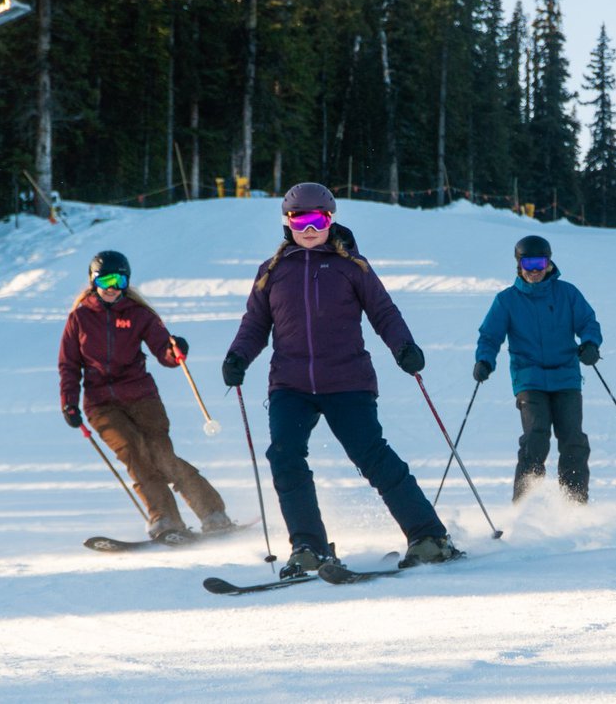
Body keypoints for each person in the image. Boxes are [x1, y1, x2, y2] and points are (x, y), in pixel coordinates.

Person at [220, 183, 459, 577]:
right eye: (300, 219)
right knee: (285, 456)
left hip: (347, 381)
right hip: (290, 385)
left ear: (330, 220)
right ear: (288, 222)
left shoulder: (352, 267)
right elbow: (255, 324)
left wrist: (404, 347)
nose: (309, 227)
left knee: (372, 456)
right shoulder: (272, 271)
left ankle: (429, 537)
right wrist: (238, 355)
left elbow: (384, 312)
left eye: (318, 219)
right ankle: (309, 547)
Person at [58, 250, 231, 539]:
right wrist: (69, 403)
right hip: (101, 404)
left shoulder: (138, 314)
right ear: (93, 282)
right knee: (134, 454)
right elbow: (69, 365)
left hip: (141, 397)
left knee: (161, 456)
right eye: (106, 280)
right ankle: (165, 519)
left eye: (120, 280)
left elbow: (163, 350)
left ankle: (213, 512)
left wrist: (175, 349)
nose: (113, 287)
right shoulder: (79, 319)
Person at [473, 235, 603, 504]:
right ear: (518, 264)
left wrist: (590, 344)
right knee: (535, 437)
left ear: (549, 263)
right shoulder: (506, 300)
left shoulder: (567, 293)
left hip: (566, 376)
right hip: (529, 377)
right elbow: (490, 336)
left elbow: (588, 322)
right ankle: (525, 505)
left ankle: (574, 503)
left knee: (573, 440)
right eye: (528, 263)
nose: (534, 270)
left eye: (540, 263)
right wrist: (484, 360)